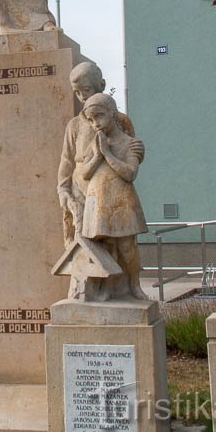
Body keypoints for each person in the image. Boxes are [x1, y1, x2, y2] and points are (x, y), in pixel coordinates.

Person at [57, 61, 142, 247]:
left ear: (101, 85)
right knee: (86, 246)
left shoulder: (120, 120)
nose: (81, 96)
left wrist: (137, 151)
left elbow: (129, 151)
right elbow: (67, 161)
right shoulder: (74, 125)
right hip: (80, 189)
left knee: (119, 246)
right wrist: (63, 189)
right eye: (77, 92)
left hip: (111, 191)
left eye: (86, 90)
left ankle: (125, 276)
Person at [80, 93, 148, 300]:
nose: (95, 124)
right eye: (90, 120)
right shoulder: (95, 144)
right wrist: (98, 153)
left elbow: (129, 173)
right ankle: (108, 286)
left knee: (127, 247)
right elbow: (85, 173)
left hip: (121, 200)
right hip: (99, 199)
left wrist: (107, 154)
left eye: (99, 117)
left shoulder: (130, 144)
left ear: (112, 113)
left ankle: (134, 284)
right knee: (108, 247)